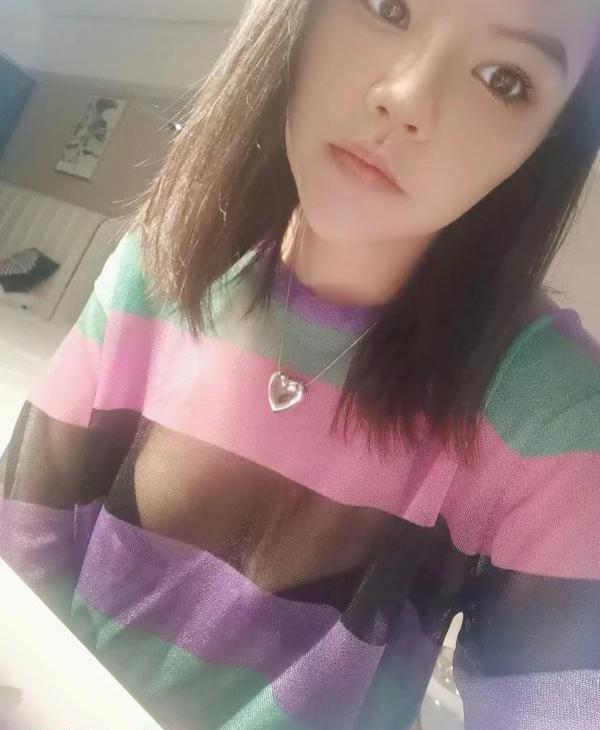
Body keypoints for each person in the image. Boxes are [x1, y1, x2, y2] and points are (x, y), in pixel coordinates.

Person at [1, 1, 599, 728]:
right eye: (387, 6)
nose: (407, 98)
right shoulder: (156, 264)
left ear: (549, 137)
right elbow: (20, 556)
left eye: (505, 78)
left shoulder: (554, 415)